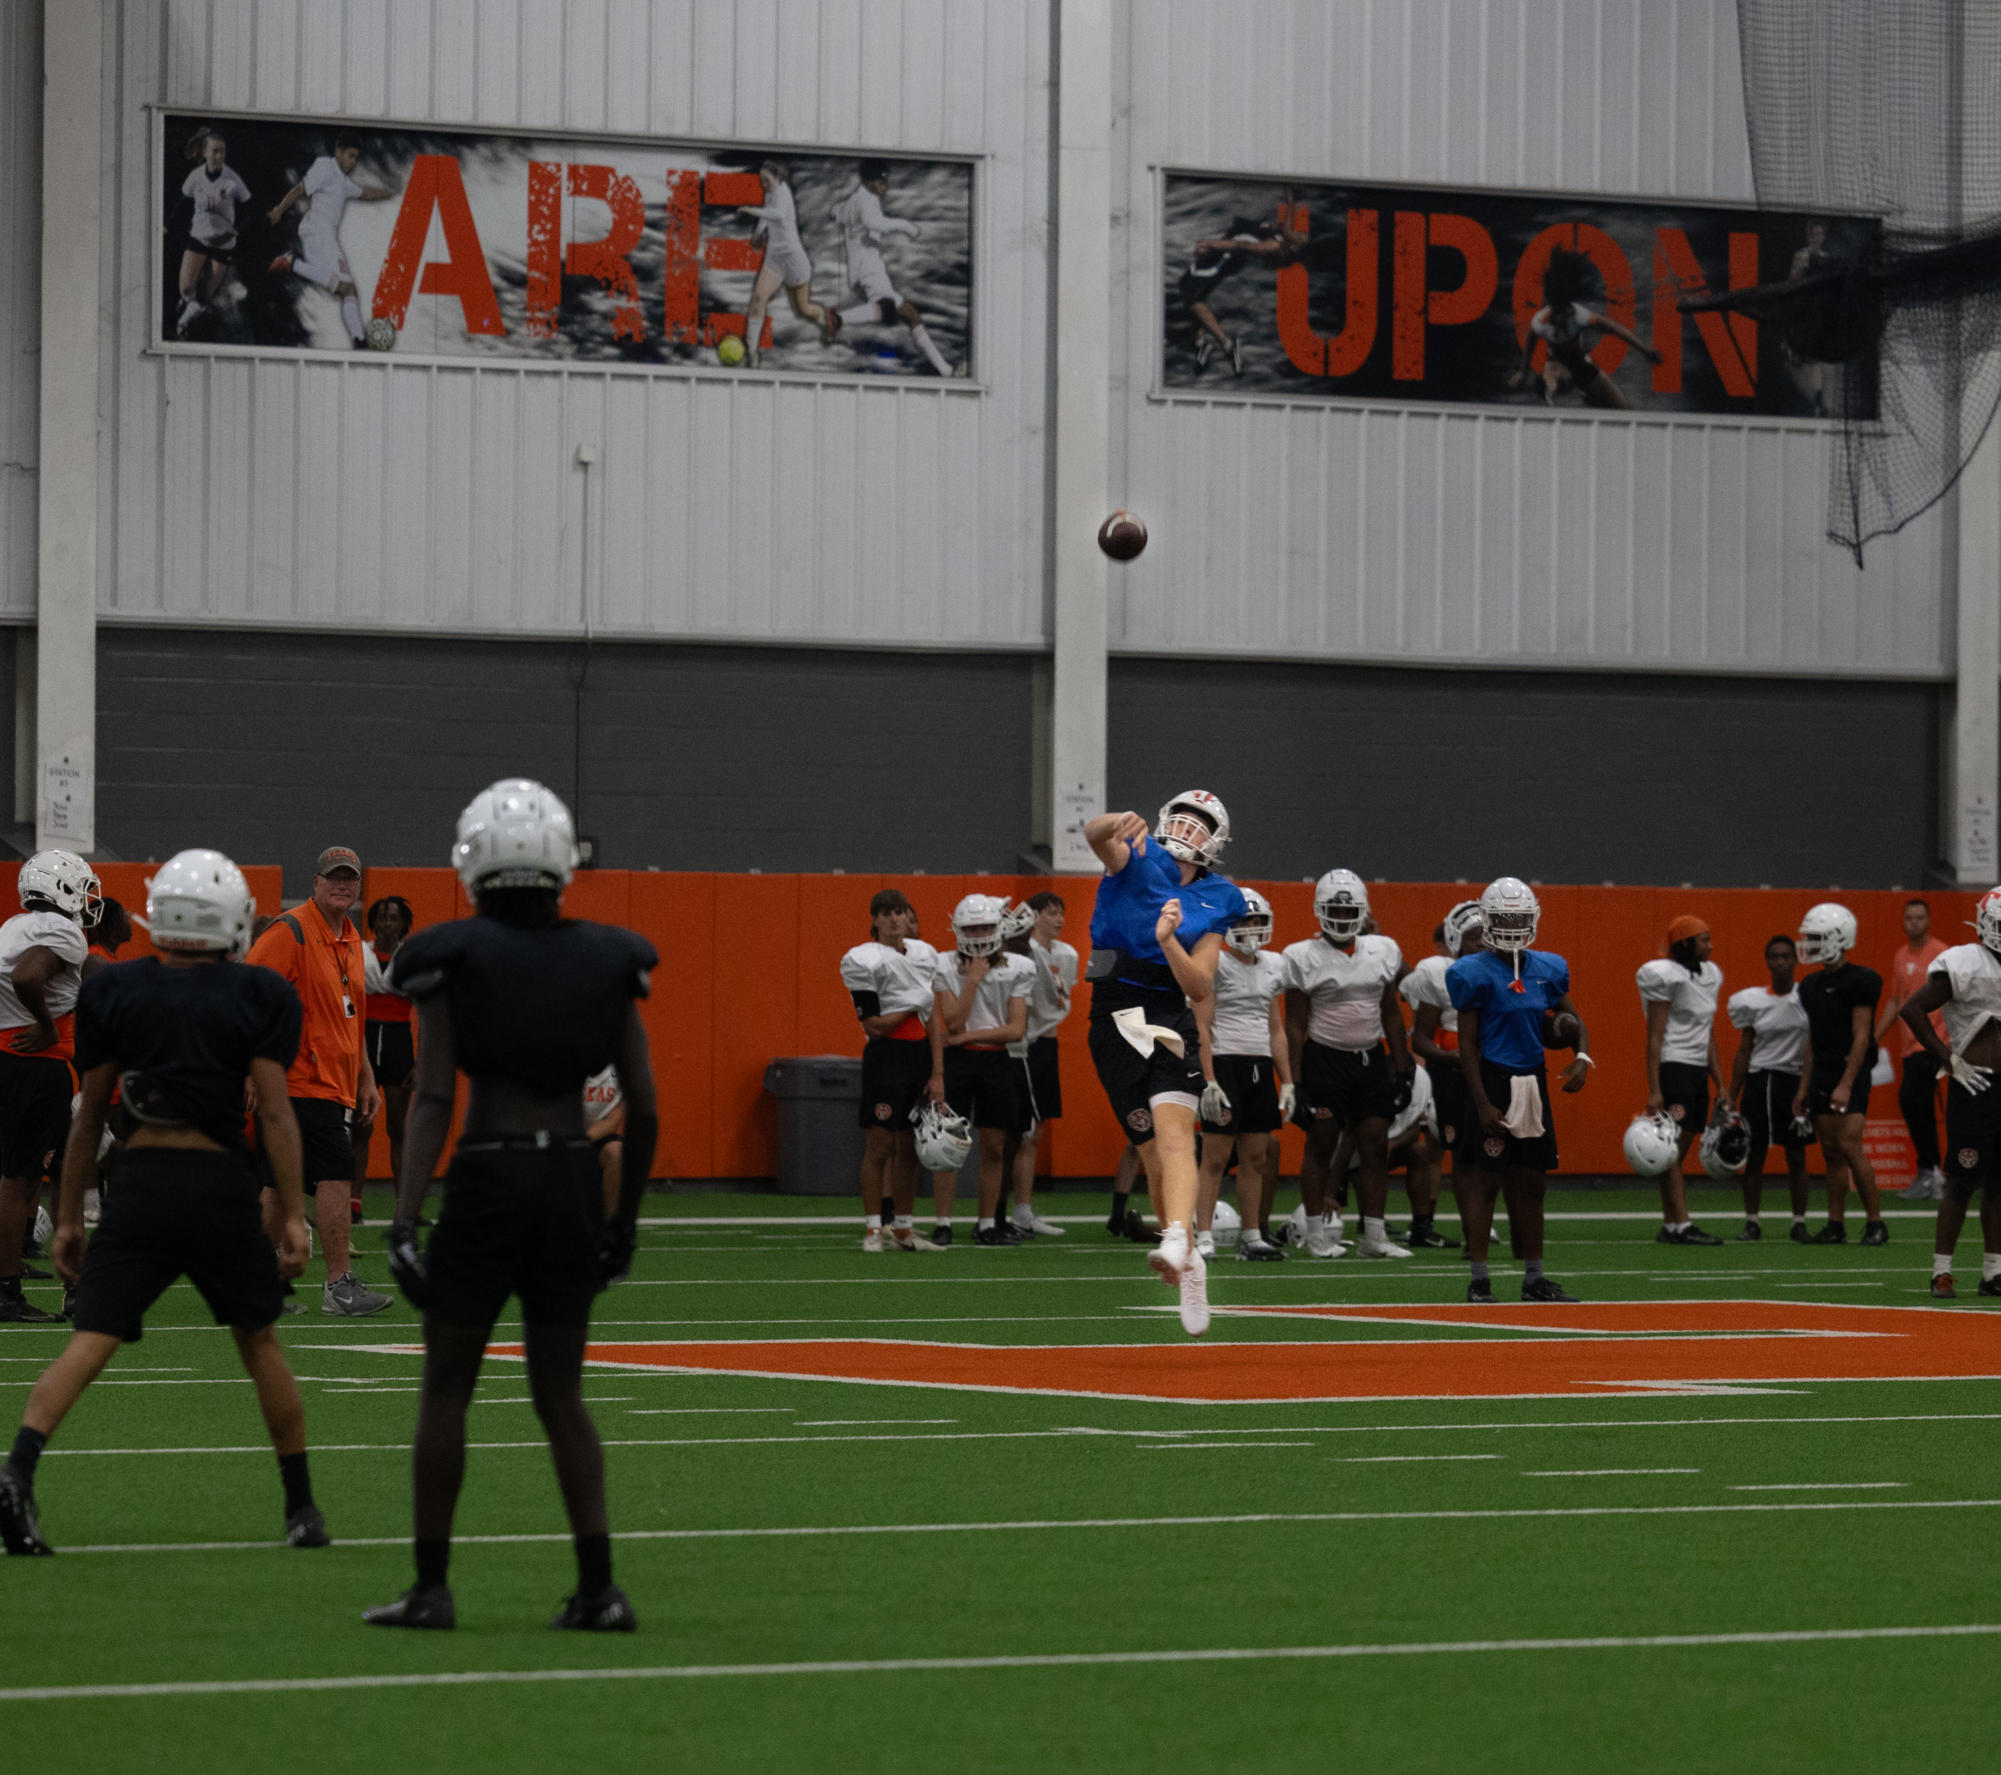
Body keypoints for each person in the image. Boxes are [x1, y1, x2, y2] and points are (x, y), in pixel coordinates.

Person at [366, 778, 658, 1632]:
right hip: (570, 1173)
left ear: (472, 860)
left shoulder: (449, 953)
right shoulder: (610, 955)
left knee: (447, 1387)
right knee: (561, 1394)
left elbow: (429, 1099)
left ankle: (431, 1587)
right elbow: (641, 1104)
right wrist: (624, 1218)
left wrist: (406, 1217)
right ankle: (599, 1588)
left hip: (490, 1175)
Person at [0, 850, 326, 1556]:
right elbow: (273, 1112)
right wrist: (292, 1212)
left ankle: (18, 1468)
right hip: (216, 1186)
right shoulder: (257, 994)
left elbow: (88, 1119)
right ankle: (300, 1504)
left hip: (142, 1182)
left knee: (91, 1338)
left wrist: (65, 1217)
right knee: (259, 1337)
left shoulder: (115, 988)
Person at [1083, 790, 1248, 1336]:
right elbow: (1094, 835)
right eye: (1184, 818)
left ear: (1216, 843)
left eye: (1202, 824)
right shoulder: (1138, 852)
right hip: (1113, 1011)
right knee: (1150, 1151)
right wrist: (1114, 819)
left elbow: (1199, 986)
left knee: (1178, 1136)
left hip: (1167, 1007)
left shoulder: (1222, 895)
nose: (1189, 829)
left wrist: (1169, 941)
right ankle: (1189, 1258)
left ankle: (1180, 1238)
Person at [245, 846, 387, 1314]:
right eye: (334, 877)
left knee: (274, 1184)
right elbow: (249, 995)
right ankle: (338, 1285)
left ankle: (258, 1281)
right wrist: (253, 1067)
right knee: (335, 1171)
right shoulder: (290, 931)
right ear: (316, 882)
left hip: (332, 1081)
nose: (342, 885)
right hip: (299, 1078)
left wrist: (365, 1075)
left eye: (350, 878)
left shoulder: (349, 939)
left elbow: (354, 1018)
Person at [1446, 876, 1591, 1303]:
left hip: (1533, 1080)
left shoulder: (1548, 967)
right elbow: (1468, 1046)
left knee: (1532, 1184)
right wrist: (1483, 1102)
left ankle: (1534, 1279)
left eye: (1518, 917)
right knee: (1485, 1183)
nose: (1511, 924)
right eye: (1504, 917)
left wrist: (1582, 1056)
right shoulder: (1472, 972)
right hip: (1493, 1077)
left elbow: (1572, 1020)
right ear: (1489, 919)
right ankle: (1478, 1280)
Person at [1281, 870, 1415, 1261]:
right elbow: (1294, 1023)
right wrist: (1295, 1082)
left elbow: (1391, 1014)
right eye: (1334, 908)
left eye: (1348, 908)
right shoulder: (1301, 956)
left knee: (1375, 1143)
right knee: (1321, 1142)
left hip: (1369, 1058)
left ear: (1362, 911)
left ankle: (1373, 1235)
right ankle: (1317, 1235)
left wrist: (1403, 1066)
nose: (1341, 916)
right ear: (1320, 911)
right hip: (1325, 1057)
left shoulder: (1382, 949)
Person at [0, 852, 100, 1325]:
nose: (87, 897)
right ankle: (8, 1290)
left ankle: (73, 1283)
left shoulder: (12, 927)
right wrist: (43, 1024)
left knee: (53, 1170)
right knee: (23, 1180)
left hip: (10, 1060)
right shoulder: (62, 932)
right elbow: (26, 976)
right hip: (35, 1064)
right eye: (81, 886)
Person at [1897, 887, 2001, 1299]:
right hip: (1972, 1084)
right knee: (1961, 1180)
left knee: (1999, 1184)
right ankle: (1942, 1270)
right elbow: (1911, 1009)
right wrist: (1948, 1058)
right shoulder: (1965, 961)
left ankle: (1994, 1272)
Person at [840, 889, 945, 1252]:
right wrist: (914, 1004)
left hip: (919, 1055)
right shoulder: (862, 959)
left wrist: (938, 1072)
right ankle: (873, 1228)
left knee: (911, 1146)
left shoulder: (924, 954)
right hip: (886, 1056)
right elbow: (874, 1025)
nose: (894, 919)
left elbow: (933, 1020)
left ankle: (903, 1228)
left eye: (899, 912)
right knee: (880, 1144)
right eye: (885, 913)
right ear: (874, 920)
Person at [931, 896, 1035, 1248]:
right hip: (958, 1064)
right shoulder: (945, 965)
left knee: (994, 1146)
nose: (977, 934)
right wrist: (973, 980)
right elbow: (953, 1019)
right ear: (958, 930)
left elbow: (1015, 1029)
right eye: (971, 928)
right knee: (949, 1146)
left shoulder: (1018, 966)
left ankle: (987, 1222)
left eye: (985, 927)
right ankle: (943, 1222)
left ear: (997, 929)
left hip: (995, 1061)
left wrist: (967, 1036)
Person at [1195, 888, 1289, 1262]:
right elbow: (1201, 1026)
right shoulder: (1214, 961)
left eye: (1257, 920)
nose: (1251, 928)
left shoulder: (1274, 965)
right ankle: (1203, 1235)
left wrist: (1290, 1080)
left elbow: (1276, 1029)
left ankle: (1251, 1235)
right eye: (1244, 920)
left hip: (1259, 1067)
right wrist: (1208, 1078)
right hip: (1225, 1064)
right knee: (1215, 1158)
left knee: (1256, 1158)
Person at [1791, 902, 1888, 1245]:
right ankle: (1835, 1223)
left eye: (1817, 937)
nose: (1811, 944)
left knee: (1849, 1144)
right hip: (1823, 1070)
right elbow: (1811, 1040)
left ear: (1838, 937)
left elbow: (1862, 1035)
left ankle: (1876, 1222)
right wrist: (1804, 1087)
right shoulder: (1811, 985)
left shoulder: (1861, 980)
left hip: (1851, 1069)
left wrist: (1847, 1083)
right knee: (1831, 1151)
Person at [1637, 915, 1727, 1245]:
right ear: (1686, 944)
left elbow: (1709, 1033)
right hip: (1673, 1065)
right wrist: (1655, 1088)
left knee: (1674, 1151)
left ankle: (1672, 1224)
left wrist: (1721, 1082)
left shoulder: (1710, 974)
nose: (1710, 945)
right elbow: (1655, 1036)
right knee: (1671, 1150)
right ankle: (1681, 1225)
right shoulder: (1665, 976)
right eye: (1704, 939)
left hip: (1696, 1068)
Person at [1398, 902, 1482, 1252]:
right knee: (1441, 1150)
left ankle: (1479, 1222)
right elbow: (1410, 1005)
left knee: (1483, 1155)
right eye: (1471, 937)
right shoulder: (1435, 971)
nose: (1481, 943)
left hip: (1485, 1068)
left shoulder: (1499, 970)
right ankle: (1429, 1223)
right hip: (1444, 1071)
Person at [266, 130, 398, 348]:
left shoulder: (343, 181)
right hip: (318, 233)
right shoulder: (325, 167)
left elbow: (364, 193)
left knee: (348, 290)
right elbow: (300, 189)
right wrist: (279, 210)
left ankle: (358, 341)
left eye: (356, 158)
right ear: (338, 151)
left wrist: (390, 194)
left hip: (325, 237)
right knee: (346, 288)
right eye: (350, 156)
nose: (353, 162)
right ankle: (292, 264)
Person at [828, 161, 957, 376]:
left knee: (895, 314)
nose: (885, 187)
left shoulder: (853, 201)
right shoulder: (866, 201)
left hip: (860, 271)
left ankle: (945, 369)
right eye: (881, 182)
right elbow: (874, 223)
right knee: (908, 314)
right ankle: (946, 371)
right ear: (869, 181)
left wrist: (837, 212)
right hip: (869, 271)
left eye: (886, 182)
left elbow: (836, 212)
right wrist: (907, 227)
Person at [1726, 935, 1814, 1242]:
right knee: (1755, 1153)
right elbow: (1744, 1050)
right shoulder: (1752, 1001)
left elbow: (1812, 1046)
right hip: (1760, 1080)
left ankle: (1799, 1222)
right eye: (1774, 956)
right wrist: (1730, 1094)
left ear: (1795, 960)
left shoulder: (1807, 997)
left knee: (1797, 1154)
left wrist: (1806, 1087)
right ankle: (1752, 1221)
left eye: (1786, 956)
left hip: (1794, 1081)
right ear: (1767, 961)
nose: (1780, 962)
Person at [1511, 246, 1665, 409]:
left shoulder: (1580, 316)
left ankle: (1591, 397)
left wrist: (1644, 350)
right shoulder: (1541, 322)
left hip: (1582, 365)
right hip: (1557, 364)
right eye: (1556, 314)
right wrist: (1523, 371)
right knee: (1558, 378)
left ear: (1568, 307)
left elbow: (1616, 330)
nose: (1560, 319)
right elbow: (1531, 340)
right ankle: (1549, 388)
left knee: (1623, 409)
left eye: (1564, 313)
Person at [1010, 892, 1077, 1240]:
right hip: (1020, 1044)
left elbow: (1061, 1000)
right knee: (1017, 1131)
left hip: (1046, 1043)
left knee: (1035, 1131)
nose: (1058, 919)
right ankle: (1001, 1212)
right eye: (1051, 913)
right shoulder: (1021, 952)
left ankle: (1023, 1211)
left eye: (1061, 913)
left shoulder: (1067, 955)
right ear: (1034, 916)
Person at [1877, 898, 1948, 1201]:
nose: (1914, 923)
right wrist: (1874, 1037)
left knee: (1915, 1101)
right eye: (1909, 918)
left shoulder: (1942, 954)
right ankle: (1932, 1173)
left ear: (1928, 920)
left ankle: (1931, 1173)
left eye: (1919, 917)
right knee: (1915, 1107)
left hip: (1933, 1045)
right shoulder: (1900, 955)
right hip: (1909, 1048)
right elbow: (1896, 1001)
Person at [354, 896, 418, 1227]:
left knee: (397, 1127)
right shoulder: (359, 952)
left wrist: (420, 1062)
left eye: (393, 918)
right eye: (381, 917)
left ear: (404, 923)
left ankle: (405, 1206)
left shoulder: (411, 957)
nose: (387, 923)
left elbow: (431, 1009)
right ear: (373, 922)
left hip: (398, 1042)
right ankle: (354, 1202)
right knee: (360, 1126)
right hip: (363, 1042)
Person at [1175, 214, 1302, 373]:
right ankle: (1200, 344)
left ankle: (1227, 345)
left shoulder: (1274, 244)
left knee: (1191, 295)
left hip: (1227, 255)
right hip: (1228, 252)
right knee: (1192, 290)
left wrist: (1210, 243)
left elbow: (1241, 245)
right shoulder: (1278, 234)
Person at [738, 158, 830, 369]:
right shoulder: (771, 192)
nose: (763, 185)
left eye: (766, 181)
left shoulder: (783, 193)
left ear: (778, 178)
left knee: (802, 310)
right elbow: (767, 214)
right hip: (775, 259)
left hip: (794, 258)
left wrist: (750, 211)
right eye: (761, 181)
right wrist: (758, 233)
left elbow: (777, 214)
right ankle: (752, 353)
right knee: (758, 298)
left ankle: (826, 321)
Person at [173, 126, 253, 338]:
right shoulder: (195, 177)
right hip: (199, 236)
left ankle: (182, 325)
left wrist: (235, 231)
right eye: (214, 151)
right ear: (205, 153)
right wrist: (168, 225)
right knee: (187, 290)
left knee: (205, 295)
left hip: (223, 242)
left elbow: (249, 207)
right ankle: (184, 302)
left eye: (222, 152)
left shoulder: (232, 179)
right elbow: (183, 204)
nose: (218, 156)